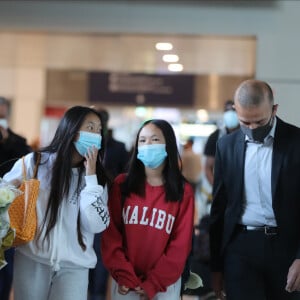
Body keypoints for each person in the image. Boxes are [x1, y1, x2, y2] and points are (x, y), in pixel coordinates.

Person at [3, 106, 111, 300]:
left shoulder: (98, 178)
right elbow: (4, 192)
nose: (95, 134)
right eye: (90, 127)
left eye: (98, 130)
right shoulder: (35, 162)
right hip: (31, 259)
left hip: (75, 267)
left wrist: (91, 178)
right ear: (71, 128)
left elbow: (96, 225)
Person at [209, 79, 300, 300]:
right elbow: (219, 208)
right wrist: (216, 266)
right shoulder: (226, 146)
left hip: (286, 247)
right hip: (240, 247)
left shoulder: (296, 142)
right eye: (244, 123)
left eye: (259, 122)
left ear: (274, 109)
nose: (252, 129)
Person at [101, 119, 195, 300]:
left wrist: (154, 283)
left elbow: (180, 244)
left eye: (154, 139)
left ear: (168, 145)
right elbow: (111, 235)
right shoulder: (121, 185)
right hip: (126, 284)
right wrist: (125, 276)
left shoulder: (183, 191)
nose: (147, 145)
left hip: (164, 285)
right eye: (142, 140)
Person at [89, 109, 129, 300]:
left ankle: (97, 294)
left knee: (101, 253)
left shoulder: (119, 147)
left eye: (103, 120)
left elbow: (124, 177)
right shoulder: (85, 145)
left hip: (107, 206)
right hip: (85, 204)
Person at [0, 96, 32, 300]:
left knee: (6, 269)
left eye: (2, 115)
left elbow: (24, 172)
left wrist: (6, 141)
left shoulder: (18, 143)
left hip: (8, 214)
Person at [203, 100, 239, 187]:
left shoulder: (247, 135)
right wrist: (217, 189)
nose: (230, 114)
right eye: (227, 111)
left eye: (233, 111)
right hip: (223, 186)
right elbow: (208, 167)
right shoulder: (215, 137)